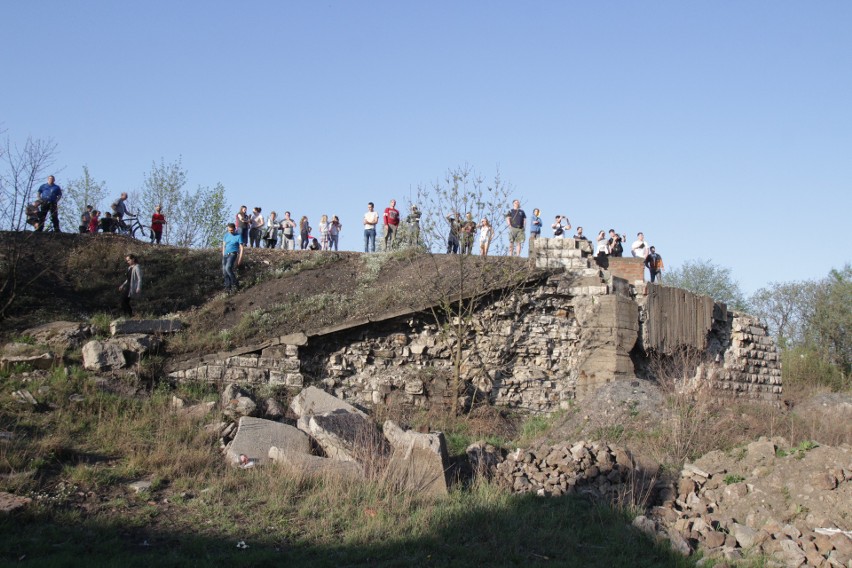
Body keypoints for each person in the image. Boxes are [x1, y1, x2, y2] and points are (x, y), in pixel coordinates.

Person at [222, 223, 244, 293]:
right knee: (224, 271)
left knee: (228, 268)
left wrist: (240, 258)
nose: (230, 232)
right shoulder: (226, 235)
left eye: (231, 230)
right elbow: (224, 246)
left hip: (233, 253)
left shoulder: (238, 236)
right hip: (225, 254)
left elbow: (241, 247)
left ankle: (235, 284)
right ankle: (228, 287)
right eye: (229, 230)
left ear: (234, 229)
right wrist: (223, 254)